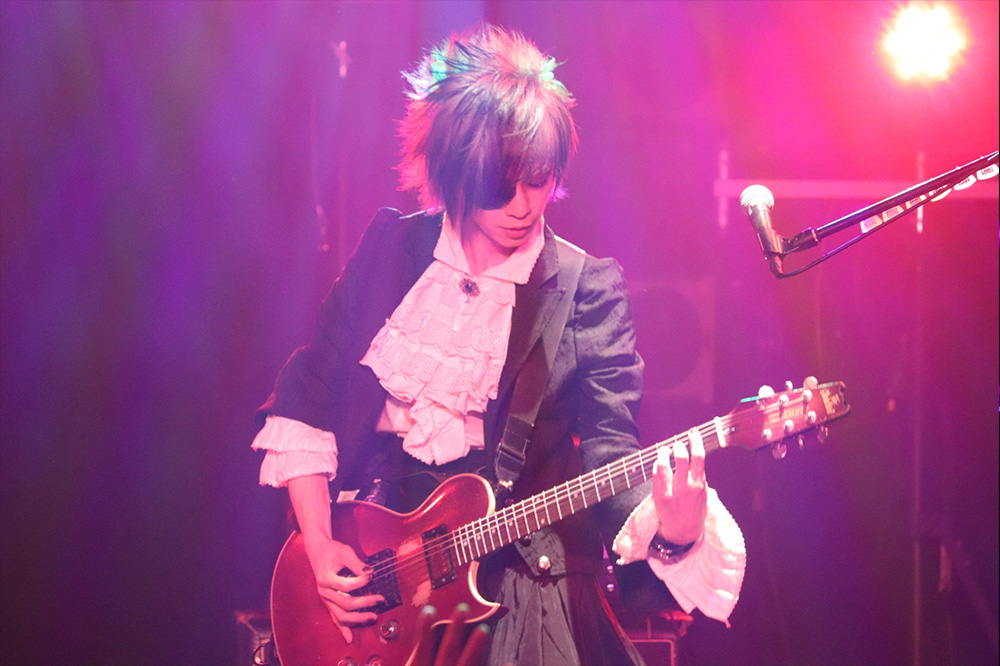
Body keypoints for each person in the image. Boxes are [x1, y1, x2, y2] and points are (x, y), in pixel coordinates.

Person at [254, 24, 745, 666]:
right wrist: (320, 545)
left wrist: (673, 535)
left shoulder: (585, 289)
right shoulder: (391, 250)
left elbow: (611, 453)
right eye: (497, 184)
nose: (521, 206)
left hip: (520, 597)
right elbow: (309, 397)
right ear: (455, 171)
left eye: (537, 180)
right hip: (381, 588)